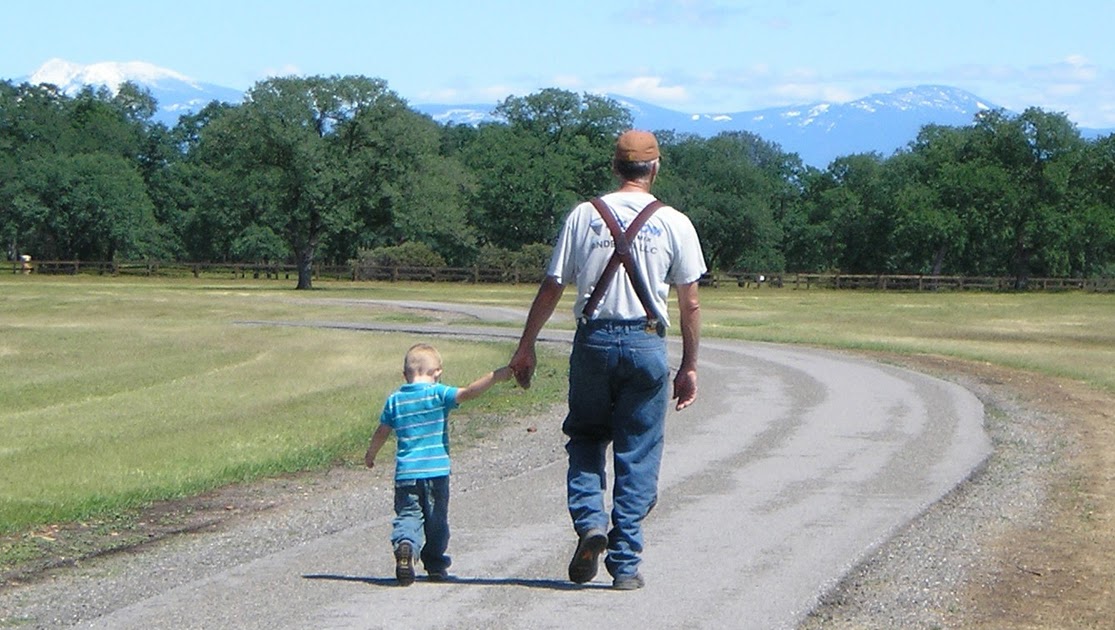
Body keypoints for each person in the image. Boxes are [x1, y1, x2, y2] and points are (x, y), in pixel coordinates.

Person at [508, 129, 706, 590]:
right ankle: (626, 563)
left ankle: (590, 522)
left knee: (585, 436)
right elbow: (690, 303)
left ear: (615, 167)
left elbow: (553, 285)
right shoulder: (675, 222)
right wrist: (689, 365)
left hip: (593, 341)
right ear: (655, 168)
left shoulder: (584, 215)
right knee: (638, 450)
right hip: (647, 341)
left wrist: (526, 345)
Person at [365, 343, 513, 586]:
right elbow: (468, 392)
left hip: (406, 474)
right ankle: (434, 564)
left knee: (408, 515)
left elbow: (382, 431)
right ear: (437, 372)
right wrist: (495, 376)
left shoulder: (395, 400)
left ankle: (405, 545)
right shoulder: (438, 393)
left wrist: (371, 454)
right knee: (436, 521)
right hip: (436, 472)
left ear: (405, 375)